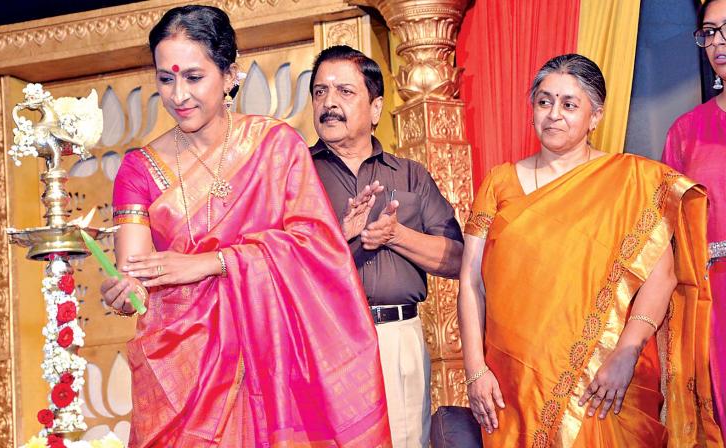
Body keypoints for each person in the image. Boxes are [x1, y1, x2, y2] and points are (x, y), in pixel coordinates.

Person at [100, 7, 391, 447]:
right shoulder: (138, 170)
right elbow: (137, 275)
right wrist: (124, 294)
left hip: (275, 361)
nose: (179, 94)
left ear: (230, 74)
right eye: (165, 79)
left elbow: (316, 247)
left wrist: (211, 263)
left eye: (194, 77)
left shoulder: (276, 147)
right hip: (182, 371)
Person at [458, 53, 723, 446]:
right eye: (544, 101)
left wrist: (627, 353)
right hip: (512, 384)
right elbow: (470, 281)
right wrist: (475, 369)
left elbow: (662, 275)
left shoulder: (630, 181)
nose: (554, 114)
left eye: (570, 104)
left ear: (595, 117)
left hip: (602, 381)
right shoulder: (500, 182)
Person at [308, 45, 464, 448]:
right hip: (326, 338)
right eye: (320, 92)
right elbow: (273, 260)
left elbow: (457, 259)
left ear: (376, 109)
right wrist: (338, 237)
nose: (329, 103)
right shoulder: (296, 176)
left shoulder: (410, 175)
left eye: (344, 92)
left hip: (398, 336)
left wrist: (397, 235)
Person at [663, 0, 726, 439]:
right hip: (713, 302)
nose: (718, 42)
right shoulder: (687, 131)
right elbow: (667, 233)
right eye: (709, 32)